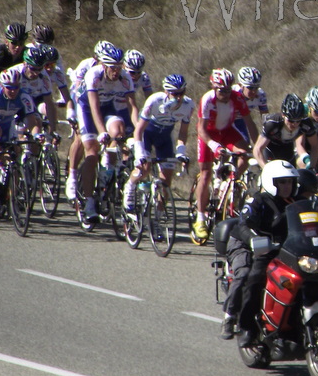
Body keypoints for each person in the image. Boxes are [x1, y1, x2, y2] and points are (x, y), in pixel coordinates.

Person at [232, 160, 300, 346]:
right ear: (271, 182)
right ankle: (247, 327)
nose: (287, 186)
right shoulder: (259, 200)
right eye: (282, 182)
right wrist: (254, 240)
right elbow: (244, 223)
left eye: (290, 182)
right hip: (267, 251)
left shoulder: (300, 202)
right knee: (254, 278)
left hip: (294, 253)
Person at [74, 44, 136, 224]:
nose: (116, 72)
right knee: (92, 152)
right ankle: (89, 202)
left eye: (119, 67)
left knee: (118, 132)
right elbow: (93, 107)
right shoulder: (93, 74)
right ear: (104, 66)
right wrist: (101, 132)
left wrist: (138, 130)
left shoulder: (125, 78)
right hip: (87, 108)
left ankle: (105, 179)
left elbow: (133, 106)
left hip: (108, 107)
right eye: (112, 68)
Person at [193, 68, 257, 241]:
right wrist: (214, 146)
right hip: (209, 134)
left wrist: (257, 147)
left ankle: (226, 184)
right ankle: (200, 218)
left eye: (229, 89)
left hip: (227, 131)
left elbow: (250, 123)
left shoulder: (237, 97)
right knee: (205, 174)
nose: (226, 94)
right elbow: (201, 128)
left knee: (245, 154)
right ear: (214, 88)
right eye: (222, 90)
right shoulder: (207, 99)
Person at [123, 74, 194, 213]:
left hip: (165, 138)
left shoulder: (188, 105)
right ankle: (130, 186)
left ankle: (157, 217)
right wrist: (139, 153)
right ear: (166, 92)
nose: (178, 97)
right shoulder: (154, 101)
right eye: (174, 94)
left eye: (181, 93)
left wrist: (181, 152)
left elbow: (183, 132)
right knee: (145, 168)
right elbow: (139, 130)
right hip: (146, 135)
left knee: (166, 180)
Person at [64, 40, 117, 201]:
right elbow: (76, 91)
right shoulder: (86, 66)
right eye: (101, 59)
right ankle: (72, 176)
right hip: (84, 102)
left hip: (103, 105)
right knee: (81, 137)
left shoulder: (113, 72)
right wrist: (71, 112)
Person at [0, 68, 39, 187]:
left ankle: (10, 192)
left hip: (7, 121)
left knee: (14, 151)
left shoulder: (24, 96)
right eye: (9, 87)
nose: (13, 91)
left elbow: (32, 121)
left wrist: (36, 135)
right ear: (2, 85)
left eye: (16, 87)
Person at [252, 93, 318, 169]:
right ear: (283, 115)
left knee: (292, 178)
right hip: (270, 148)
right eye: (290, 120)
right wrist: (265, 169)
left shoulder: (306, 123)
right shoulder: (272, 123)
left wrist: (312, 166)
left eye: (298, 121)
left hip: (287, 148)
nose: (294, 124)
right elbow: (257, 149)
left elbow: (315, 145)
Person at [0, 23, 27, 88]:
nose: (18, 47)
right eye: (14, 43)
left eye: (21, 43)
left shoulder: (27, 53)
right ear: (6, 42)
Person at [232, 66, 269, 142]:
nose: (254, 91)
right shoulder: (232, 94)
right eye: (250, 88)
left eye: (256, 87)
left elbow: (266, 119)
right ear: (240, 85)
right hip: (226, 121)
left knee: (247, 147)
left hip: (241, 120)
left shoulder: (261, 95)